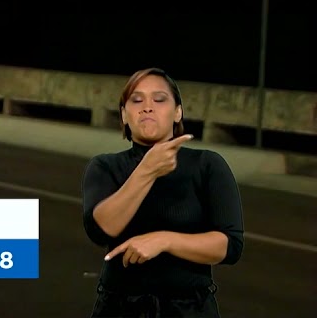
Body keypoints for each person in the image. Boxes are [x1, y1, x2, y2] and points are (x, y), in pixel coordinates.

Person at [81, 68, 245, 317]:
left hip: (190, 309)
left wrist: (164, 241)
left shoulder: (207, 164)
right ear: (124, 115)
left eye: (159, 99)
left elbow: (231, 246)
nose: (147, 107)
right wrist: (146, 170)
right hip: (120, 308)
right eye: (136, 100)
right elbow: (100, 230)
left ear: (177, 112)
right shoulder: (105, 166)